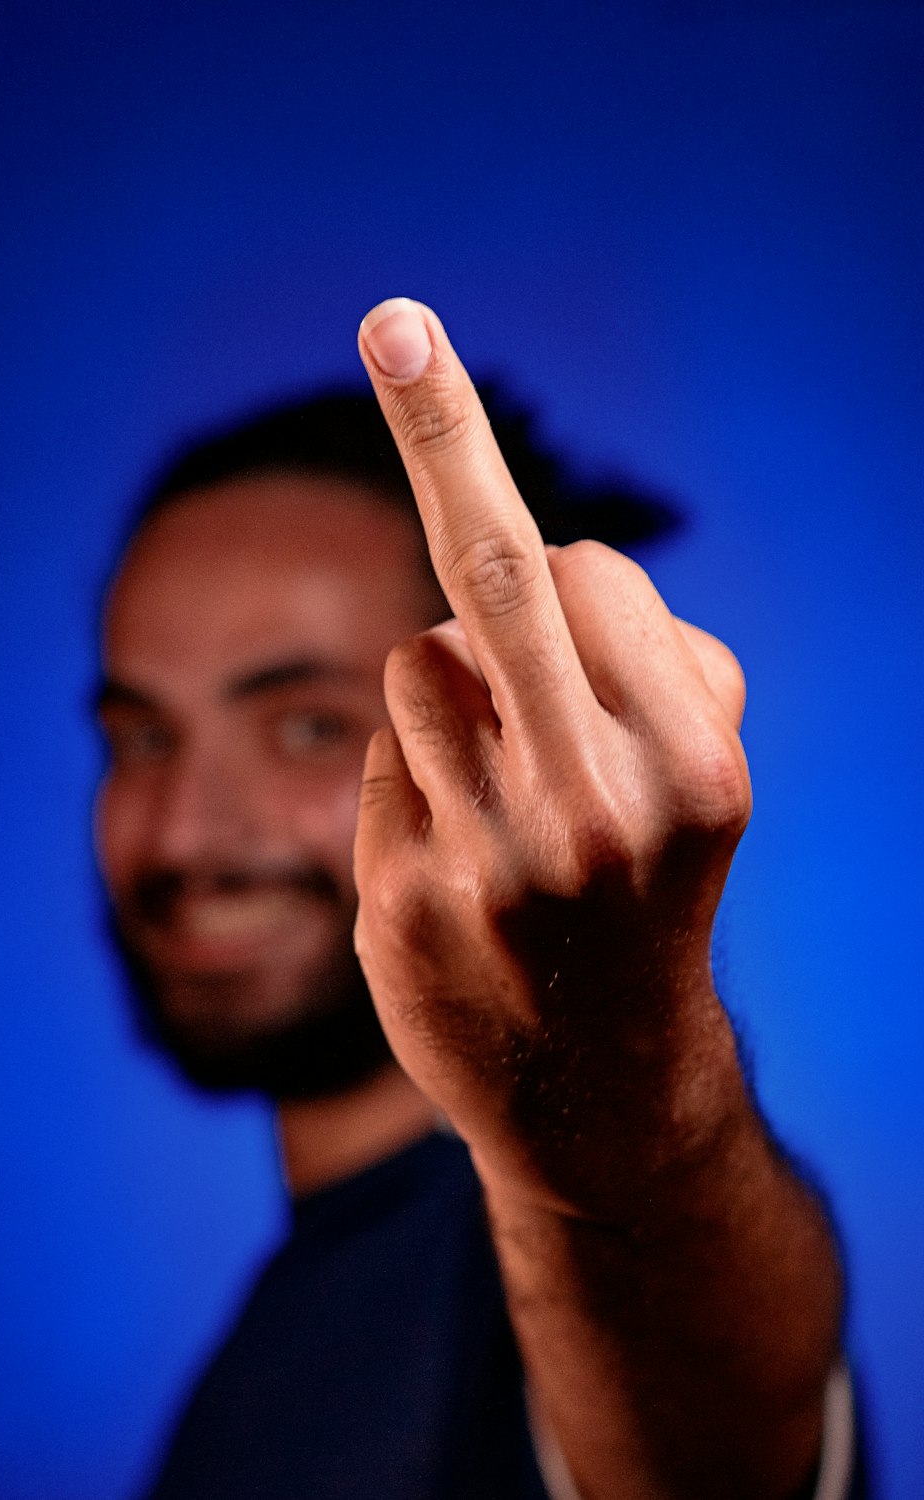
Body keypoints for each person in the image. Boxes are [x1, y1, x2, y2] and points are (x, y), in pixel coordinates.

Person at [95, 299, 867, 1499]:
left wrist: (619, 1106)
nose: (186, 831)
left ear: (505, 751)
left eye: (304, 725)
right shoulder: (298, 1323)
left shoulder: (578, 1266)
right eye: (142, 735)